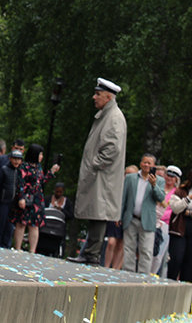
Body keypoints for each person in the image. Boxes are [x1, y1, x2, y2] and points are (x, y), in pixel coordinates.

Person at [73, 78, 127, 264]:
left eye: (98, 94)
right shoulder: (108, 115)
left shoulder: (113, 118)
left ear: (108, 97)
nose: (94, 97)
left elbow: (112, 149)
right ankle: (90, 252)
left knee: (99, 212)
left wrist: (94, 164)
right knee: (95, 212)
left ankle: (91, 254)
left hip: (103, 176)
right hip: (101, 175)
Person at [120, 153, 166, 273]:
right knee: (128, 248)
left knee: (146, 250)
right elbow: (124, 198)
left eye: (149, 163)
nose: (146, 165)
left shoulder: (159, 181)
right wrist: (119, 216)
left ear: (154, 166)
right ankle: (128, 273)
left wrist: (154, 185)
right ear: (140, 164)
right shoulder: (131, 178)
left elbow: (161, 198)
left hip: (147, 220)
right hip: (131, 217)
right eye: (145, 162)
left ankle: (143, 276)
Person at [12, 143, 60, 252]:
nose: (42, 157)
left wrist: (51, 172)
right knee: (21, 223)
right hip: (26, 197)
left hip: (37, 199)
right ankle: (18, 247)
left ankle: (32, 250)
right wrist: (21, 197)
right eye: (40, 154)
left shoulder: (38, 167)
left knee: (34, 225)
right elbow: (20, 183)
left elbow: (41, 181)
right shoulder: (24, 167)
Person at [0, 149, 23, 248]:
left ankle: (6, 245)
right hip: (3, 201)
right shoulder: (4, 169)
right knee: (0, 223)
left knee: (10, 225)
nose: (16, 161)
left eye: (19, 159)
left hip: (13, 204)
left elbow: (21, 187)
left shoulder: (19, 172)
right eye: (15, 159)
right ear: (10, 159)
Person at [153, 165, 182, 275]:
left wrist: (162, 217)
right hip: (152, 220)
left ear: (176, 179)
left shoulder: (177, 193)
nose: (169, 178)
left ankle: (153, 273)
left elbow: (173, 210)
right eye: (168, 175)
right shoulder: (159, 187)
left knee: (159, 253)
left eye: (172, 177)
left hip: (165, 224)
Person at [37, 182, 74, 257]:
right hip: (47, 225)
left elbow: (70, 215)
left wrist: (62, 210)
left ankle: (59, 253)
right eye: (57, 192)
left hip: (59, 227)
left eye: (60, 192)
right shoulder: (47, 199)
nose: (58, 194)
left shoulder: (67, 202)